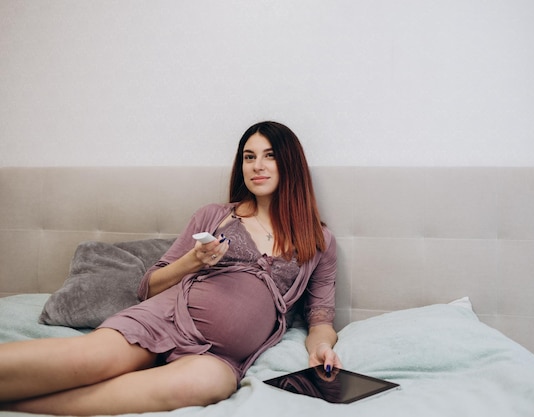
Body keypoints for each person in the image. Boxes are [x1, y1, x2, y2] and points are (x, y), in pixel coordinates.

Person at [0, 121, 342, 415]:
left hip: (221, 358)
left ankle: (18, 407)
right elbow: (148, 286)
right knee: (85, 361)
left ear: (290, 164)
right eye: (249, 157)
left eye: (269, 155)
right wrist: (192, 261)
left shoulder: (319, 241)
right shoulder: (214, 215)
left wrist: (320, 349)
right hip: (164, 319)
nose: (257, 166)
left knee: (206, 386)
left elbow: (321, 320)